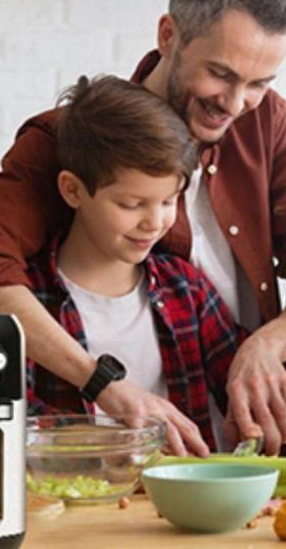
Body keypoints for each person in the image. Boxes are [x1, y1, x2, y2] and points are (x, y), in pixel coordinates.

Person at [0, 0, 286, 456]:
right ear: (169, 35)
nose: (235, 102)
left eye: (259, 83)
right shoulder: (76, 139)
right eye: (221, 74)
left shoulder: (265, 121)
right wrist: (100, 383)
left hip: (232, 456)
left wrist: (266, 347)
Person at [25, 74, 245, 456]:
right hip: (81, 508)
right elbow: (15, 420)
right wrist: (122, 443)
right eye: (131, 204)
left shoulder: (187, 290)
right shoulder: (31, 301)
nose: (154, 222)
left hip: (185, 504)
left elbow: (238, 388)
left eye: (167, 201)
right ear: (73, 190)